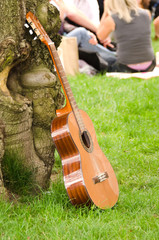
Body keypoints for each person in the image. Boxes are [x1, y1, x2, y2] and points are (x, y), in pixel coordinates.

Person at [50, 0, 116, 72]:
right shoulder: (44, 7)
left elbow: (65, 24)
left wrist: (88, 32)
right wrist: (62, 10)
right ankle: (115, 58)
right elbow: (56, 26)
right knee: (81, 33)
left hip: (61, 39)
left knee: (84, 34)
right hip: (52, 43)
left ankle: (113, 57)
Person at [96, 0, 156, 72]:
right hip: (150, 64)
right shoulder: (147, 14)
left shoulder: (112, 19)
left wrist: (106, 12)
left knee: (103, 57)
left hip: (126, 66)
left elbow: (100, 36)